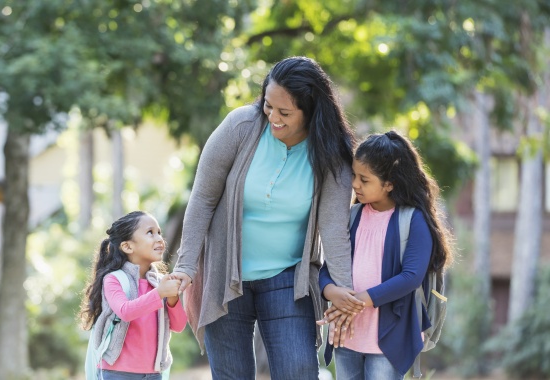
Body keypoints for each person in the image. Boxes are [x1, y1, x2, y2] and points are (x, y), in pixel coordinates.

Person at [170, 56, 364, 380]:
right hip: (226, 273)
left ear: (312, 111)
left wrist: (343, 292)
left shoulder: (333, 156)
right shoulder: (241, 126)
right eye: (268, 105)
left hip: (288, 278)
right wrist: (186, 266)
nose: (273, 117)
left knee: (299, 371)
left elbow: (333, 228)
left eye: (284, 112)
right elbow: (203, 198)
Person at [318, 130, 455, 379]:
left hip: (388, 340)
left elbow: (411, 277)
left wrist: (356, 302)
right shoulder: (352, 216)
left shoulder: (414, 220)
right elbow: (329, 267)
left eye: (365, 179)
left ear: (389, 183)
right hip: (348, 337)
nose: (355, 184)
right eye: (354, 175)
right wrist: (332, 292)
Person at [79, 211, 187, 380]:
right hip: (117, 372)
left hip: (153, 374)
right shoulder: (114, 279)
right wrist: (160, 293)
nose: (159, 238)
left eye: (159, 232)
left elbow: (179, 326)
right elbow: (125, 311)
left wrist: (172, 298)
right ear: (128, 246)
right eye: (150, 232)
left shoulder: (159, 282)